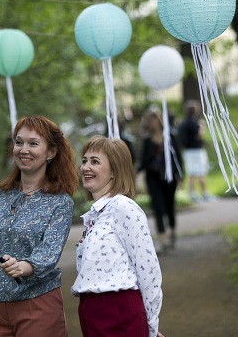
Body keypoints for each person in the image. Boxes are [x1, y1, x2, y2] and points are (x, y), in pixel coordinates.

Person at [0, 115, 79, 336]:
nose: (23, 149)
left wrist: (24, 266)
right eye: (19, 142)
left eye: (33, 143)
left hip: (36, 304)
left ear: (51, 152)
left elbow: (49, 252)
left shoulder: (60, 202)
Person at [72, 136, 164, 337]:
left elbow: (148, 269)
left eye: (95, 161)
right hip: (91, 309)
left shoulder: (124, 207)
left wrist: (151, 326)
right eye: (85, 160)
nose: (86, 167)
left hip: (117, 311)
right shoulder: (96, 215)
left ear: (114, 171)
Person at [137, 109, 183, 253]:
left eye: (153, 119)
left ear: (159, 120)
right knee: (157, 207)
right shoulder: (147, 140)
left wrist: (180, 175)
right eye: (148, 121)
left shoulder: (170, 136)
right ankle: (163, 240)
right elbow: (143, 161)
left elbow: (178, 157)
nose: (151, 123)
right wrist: (135, 174)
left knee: (170, 205)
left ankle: (172, 232)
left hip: (169, 177)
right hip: (153, 177)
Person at [176, 100, 213, 202]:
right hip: (197, 151)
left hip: (187, 152)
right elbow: (199, 135)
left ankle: (192, 193)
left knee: (192, 173)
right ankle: (204, 193)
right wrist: (202, 127)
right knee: (201, 172)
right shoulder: (194, 123)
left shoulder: (183, 123)